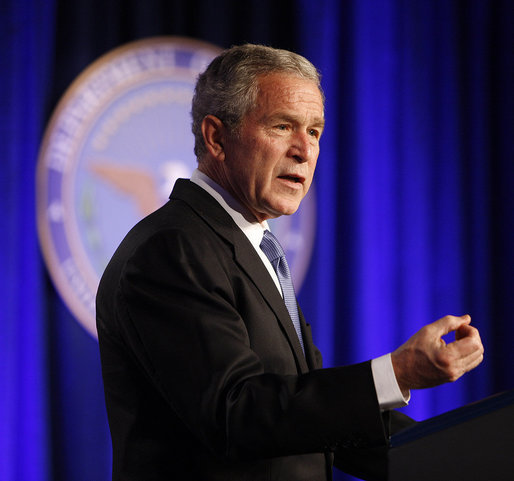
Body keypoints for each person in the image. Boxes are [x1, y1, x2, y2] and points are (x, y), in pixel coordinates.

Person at [96, 44, 484, 481]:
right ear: (216, 137)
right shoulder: (171, 250)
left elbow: (307, 417)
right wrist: (395, 373)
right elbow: (237, 413)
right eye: (283, 126)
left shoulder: (254, 247)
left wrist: (458, 456)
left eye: (315, 131)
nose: (305, 150)